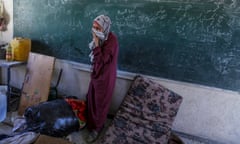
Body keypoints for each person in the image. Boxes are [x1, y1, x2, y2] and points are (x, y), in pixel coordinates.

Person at [86, 15, 119, 143]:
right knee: (91, 99)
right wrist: (96, 41)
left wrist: (96, 43)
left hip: (105, 77)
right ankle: (91, 124)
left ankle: (97, 128)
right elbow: (95, 59)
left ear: (104, 28)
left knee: (100, 103)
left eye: (97, 28)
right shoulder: (101, 37)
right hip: (96, 73)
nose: (94, 30)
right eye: (93, 27)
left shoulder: (112, 40)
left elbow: (102, 59)